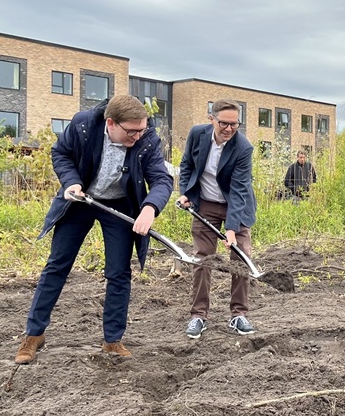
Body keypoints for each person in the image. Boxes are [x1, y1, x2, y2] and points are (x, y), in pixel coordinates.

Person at [14, 95, 173, 364]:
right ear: (110, 123)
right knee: (57, 265)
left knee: (119, 273)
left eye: (141, 129)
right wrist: (71, 182)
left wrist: (149, 208)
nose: (137, 136)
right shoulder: (83, 125)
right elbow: (61, 153)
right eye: (131, 131)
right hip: (80, 200)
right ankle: (34, 335)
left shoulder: (146, 138)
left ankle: (113, 340)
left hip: (119, 205)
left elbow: (161, 178)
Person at [177, 99, 258, 338]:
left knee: (241, 257)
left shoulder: (243, 147)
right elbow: (187, 164)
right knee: (203, 259)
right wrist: (186, 193)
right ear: (211, 119)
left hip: (237, 207)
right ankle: (198, 316)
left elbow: (239, 189)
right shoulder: (197, 135)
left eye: (235, 124)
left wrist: (232, 228)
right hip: (206, 205)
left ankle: (239, 315)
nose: (229, 129)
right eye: (224, 123)